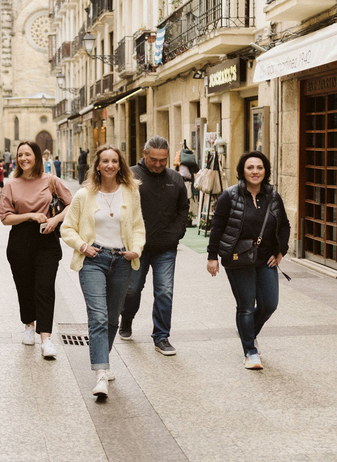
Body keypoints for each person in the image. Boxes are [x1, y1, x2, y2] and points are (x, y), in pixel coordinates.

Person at [61, 145, 145, 398]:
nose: (109, 165)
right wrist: (83, 246)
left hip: (121, 259)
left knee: (111, 318)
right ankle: (101, 373)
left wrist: (136, 249)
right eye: (105, 161)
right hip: (93, 259)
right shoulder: (84, 195)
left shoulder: (131, 192)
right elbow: (67, 229)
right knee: (97, 317)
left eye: (114, 161)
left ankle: (102, 361)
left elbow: (138, 226)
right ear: (97, 165)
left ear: (120, 165)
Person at [206, 151, 290, 370]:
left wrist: (281, 251)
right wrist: (212, 256)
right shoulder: (230, 196)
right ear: (242, 171)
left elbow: (284, 226)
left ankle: (247, 332)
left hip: (265, 259)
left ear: (266, 171)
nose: (255, 172)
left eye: (259, 168)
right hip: (238, 258)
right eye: (250, 167)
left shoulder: (273, 197)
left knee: (269, 304)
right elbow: (217, 227)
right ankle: (250, 351)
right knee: (246, 306)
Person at [0, 140, 72, 359]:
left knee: (44, 286)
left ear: (37, 157)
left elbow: (72, 204)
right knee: (25, 286)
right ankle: (28, 325)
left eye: (28, 155)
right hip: (20, 239)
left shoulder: (51, 180)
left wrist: (56, 220)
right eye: (20, 155)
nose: (23, 159)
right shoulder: (11, 184)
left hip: (47, 239)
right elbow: (5, 218)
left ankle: (46, 338)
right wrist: (30, 215)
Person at [118, 136, 189, 356]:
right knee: (132, 290)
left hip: (166, 247)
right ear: (144, 153)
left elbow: (183, 210)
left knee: (165, 292)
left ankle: (161, 336)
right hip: (136, 248)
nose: (158, 164)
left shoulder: (175, 179)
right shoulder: (130, 176)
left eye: (163, 160)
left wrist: (177, 233)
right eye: (153, 159)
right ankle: (126, 318)